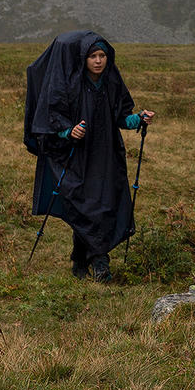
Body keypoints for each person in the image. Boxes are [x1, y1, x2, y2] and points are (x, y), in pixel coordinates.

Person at [22, 31, 153, 281]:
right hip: (75, 155)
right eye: (93, 55)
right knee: (84, 204)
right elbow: (51, 120)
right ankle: (99, 262)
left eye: (102, 55)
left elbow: (122, 116)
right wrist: (68, 131)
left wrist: (139, 118)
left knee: (101, 204)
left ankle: (84, 260)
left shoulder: (112, 81)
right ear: (84, 58)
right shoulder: (70, 84)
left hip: (106, 154)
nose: (98, 60)